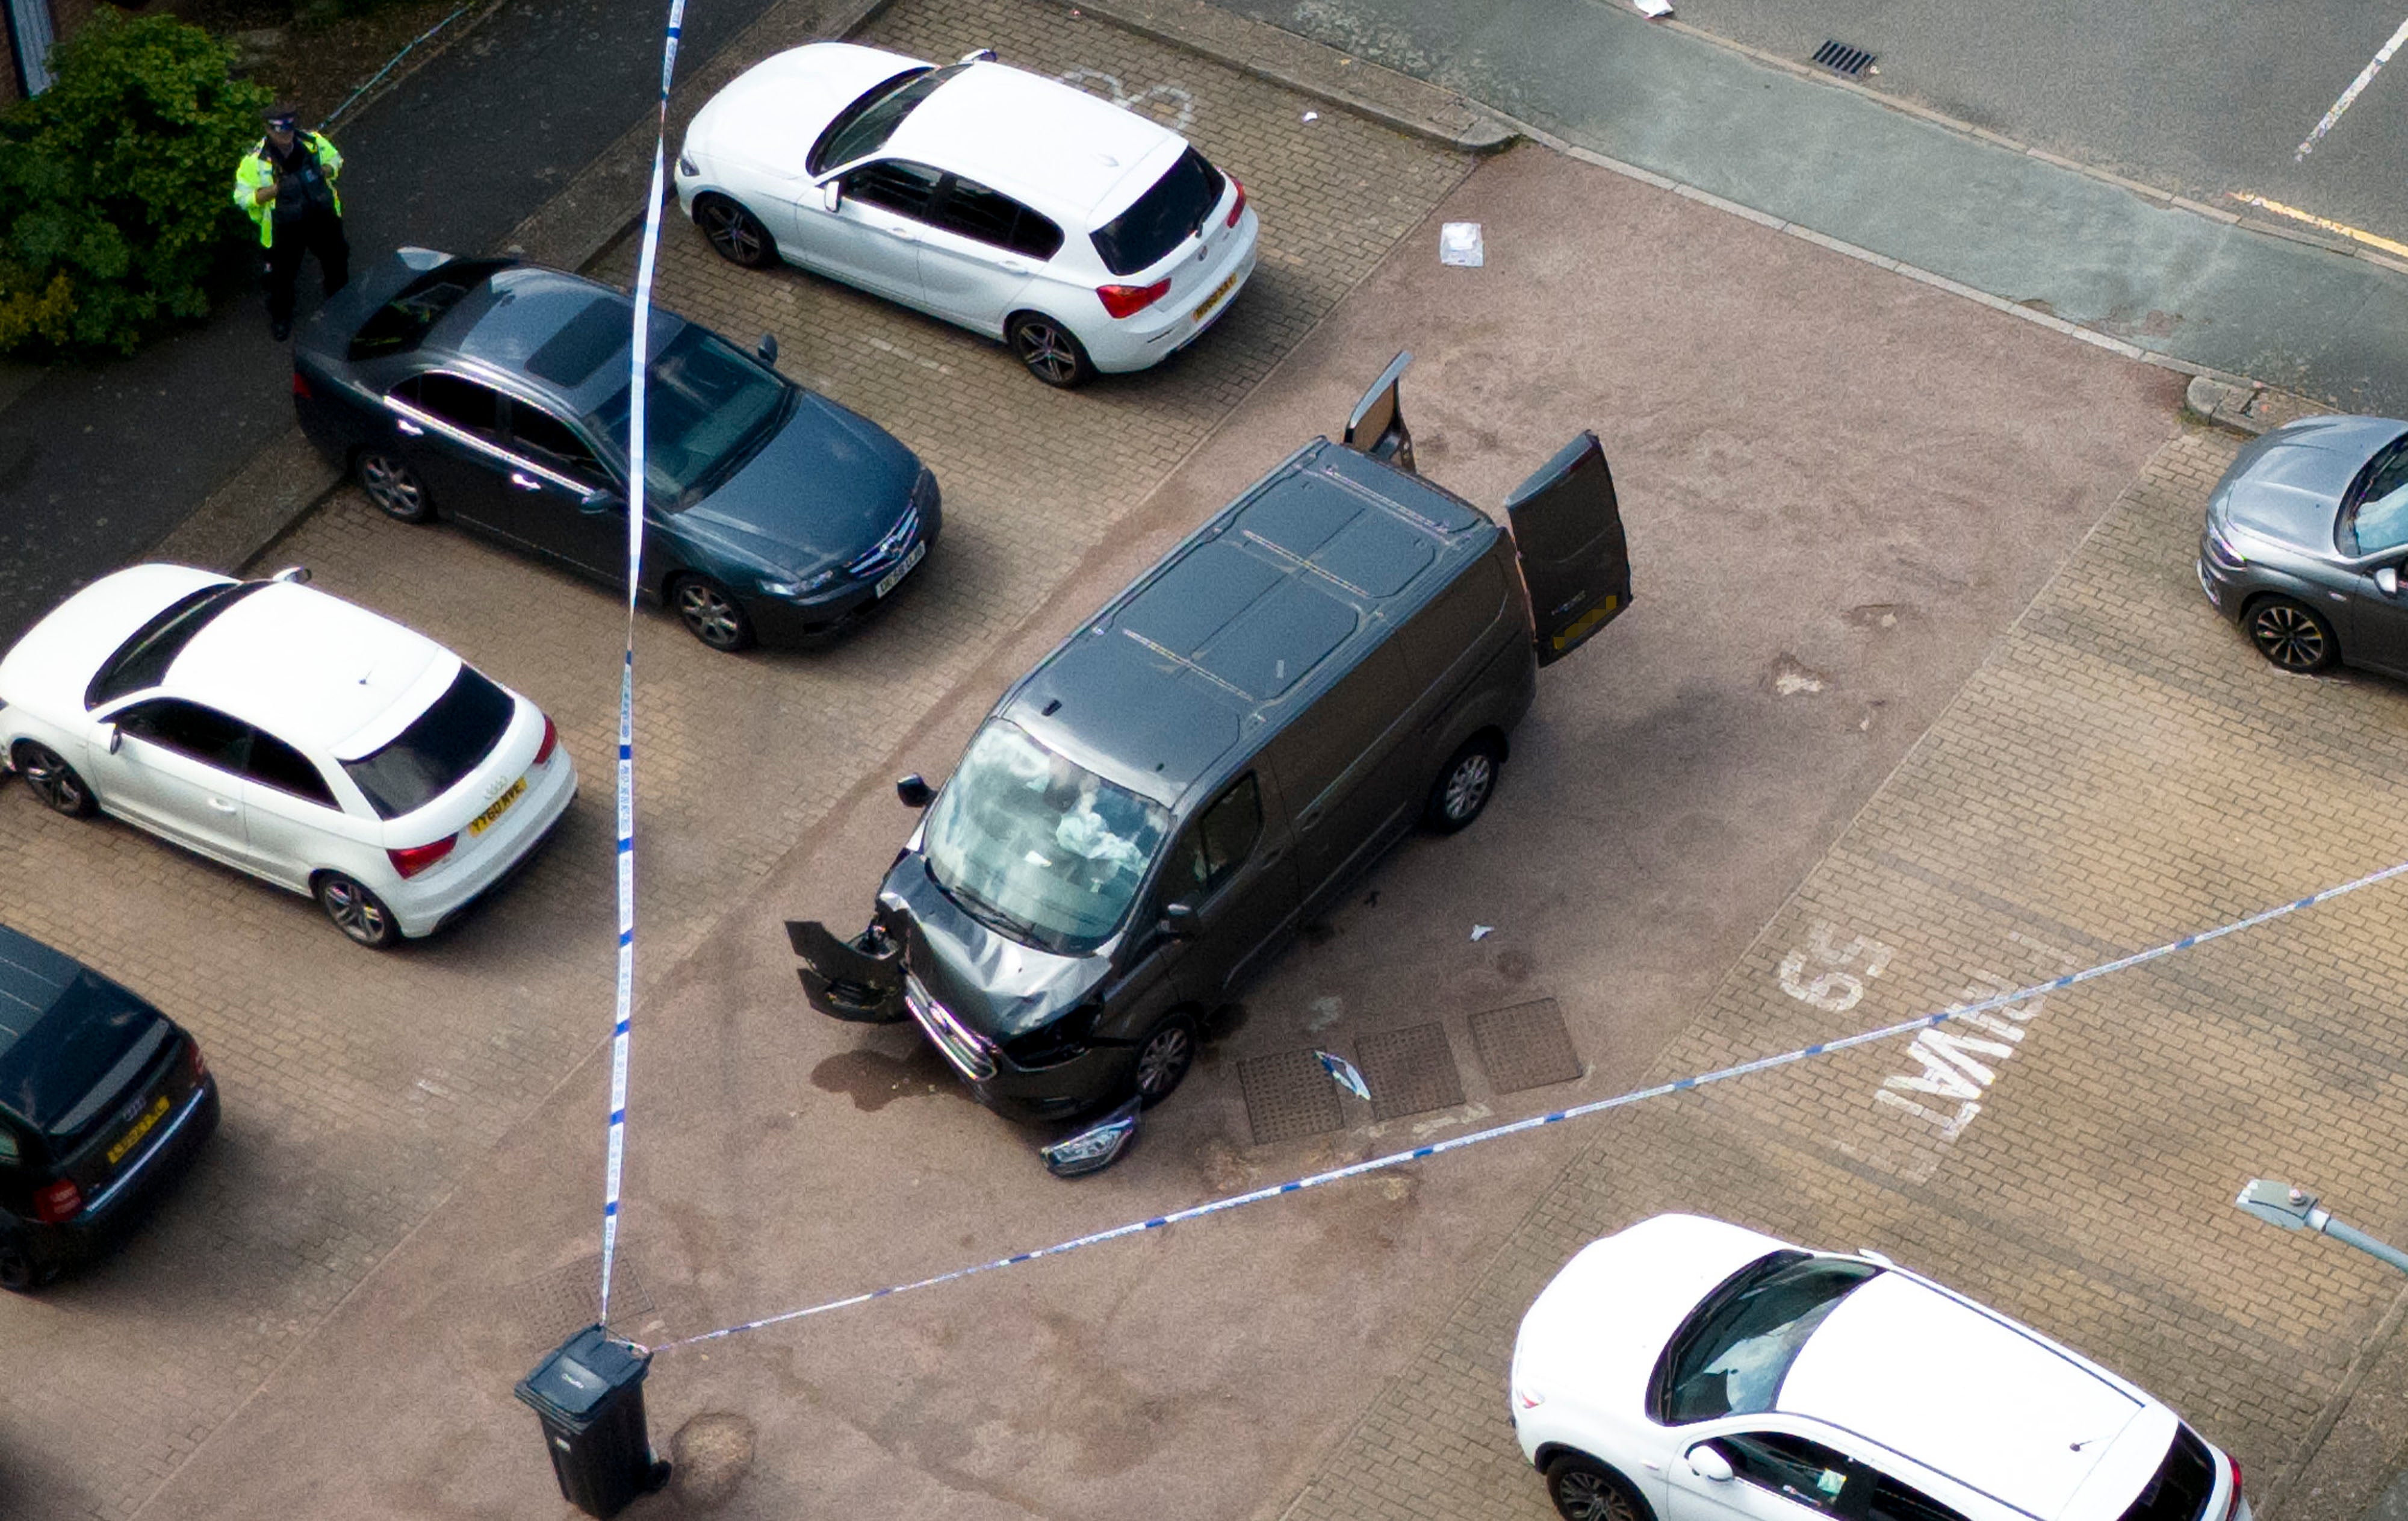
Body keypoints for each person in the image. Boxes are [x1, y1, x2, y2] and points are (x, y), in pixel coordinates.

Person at [232, 104, 349, 342]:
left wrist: (323, 170)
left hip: (320, 217)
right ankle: (281, 317)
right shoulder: (255, 162)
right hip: (283, 227)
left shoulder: (312, 143)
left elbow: (335, 160)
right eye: (279, 133)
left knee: (337, 257)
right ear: (267, 129)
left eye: (289, 132)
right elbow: (243, 199)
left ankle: (341, 300)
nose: (286, 138)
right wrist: (275, 190)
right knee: (280, 278)